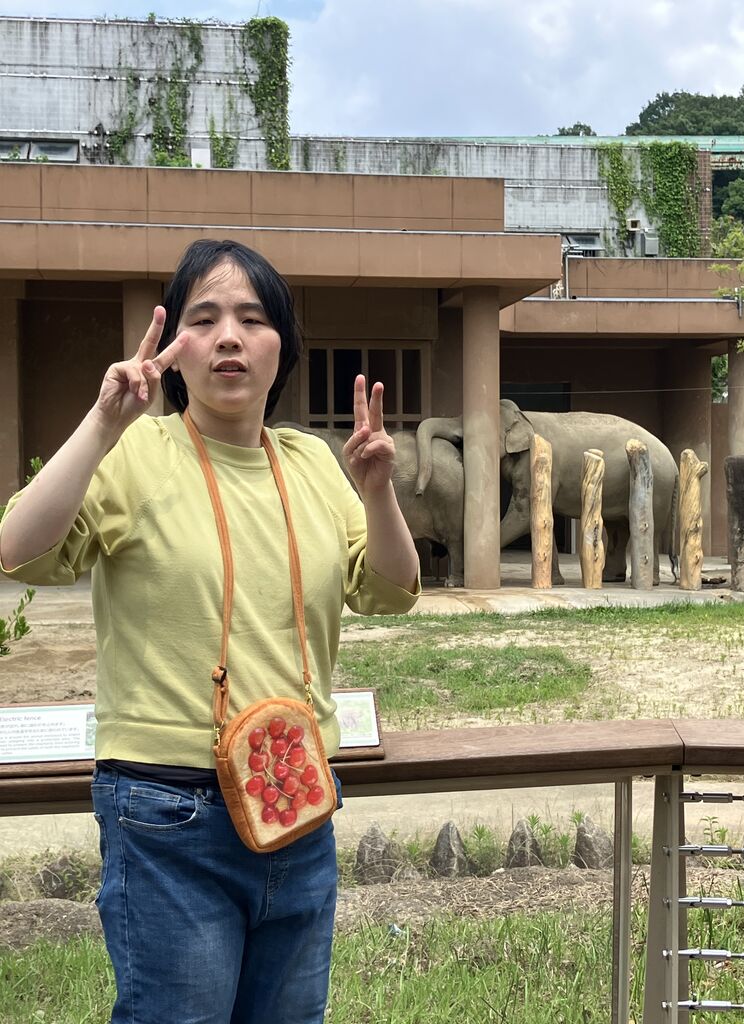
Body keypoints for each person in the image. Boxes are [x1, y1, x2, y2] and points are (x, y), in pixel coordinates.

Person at [0, 239, 420, 1024]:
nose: (229, 337)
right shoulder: (137, 453)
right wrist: (102, 423)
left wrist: (377, 492)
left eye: (253, 319)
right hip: (167, 812)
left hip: (296, 801)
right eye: (204, 318)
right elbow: (19, 549)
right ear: (173, 347)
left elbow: (391, 592)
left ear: (282, 346)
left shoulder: (311, 461)